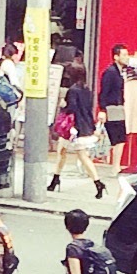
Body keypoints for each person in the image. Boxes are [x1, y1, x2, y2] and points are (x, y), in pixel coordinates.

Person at [48, 61, 102, 194]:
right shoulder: (87, 90)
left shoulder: (72, 90)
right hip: (84, 125)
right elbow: (88, 109)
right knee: (74, 153)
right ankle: (97, 182)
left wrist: (63, 104)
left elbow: (71, 108)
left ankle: (97, 182)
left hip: (72, 128)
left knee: (66, 153)